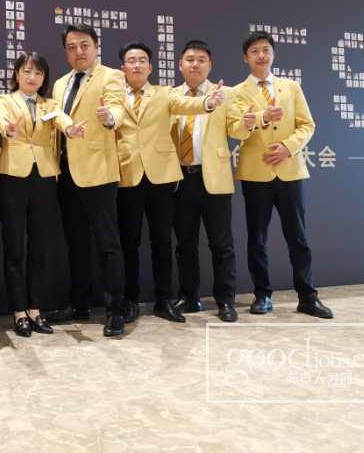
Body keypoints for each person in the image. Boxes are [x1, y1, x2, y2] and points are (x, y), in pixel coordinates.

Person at [115, 42, 220, 324]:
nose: (137, 65)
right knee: (129, 243)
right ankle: (129, 301)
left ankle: (164, 299)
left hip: (161, 178)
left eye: (142, 60)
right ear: (123, 68)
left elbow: (187, 104)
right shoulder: (114, 97)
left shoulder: (164, 94)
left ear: (150, 67)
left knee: (162, 241)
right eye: (131, 60)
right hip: (127, 174)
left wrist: (208, 103)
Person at [231, 31, 333, 319]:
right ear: (245, 58)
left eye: (265, 50)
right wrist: (259, 118)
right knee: (257, 238)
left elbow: (307, 125)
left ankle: (307, 296)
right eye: (254, 51)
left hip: (290, 171)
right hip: (256, 174)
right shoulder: (237, 92)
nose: (261, 55)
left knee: (298, 236)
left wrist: (288, 147)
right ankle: (262, 295)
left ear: (273, 54)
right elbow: (236, 130)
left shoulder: (291, 87)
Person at [0, 52, 85, 337]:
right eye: (27, 71)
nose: (32, 77)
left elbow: (61, 120)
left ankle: (35, 309)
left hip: (44, 178)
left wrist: (70, 128)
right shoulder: (4, 100)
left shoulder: (50, 104)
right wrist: (8, 130)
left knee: (40, 247)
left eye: (38, 73)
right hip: (13, 177)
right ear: (17, 74)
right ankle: (18, 311)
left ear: (44, 78)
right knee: (14, 247)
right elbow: (0, 120)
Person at [46, 24, 128, 337]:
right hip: (65, 172)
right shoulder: (60, 83)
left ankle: (115, 310)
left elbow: (118, 107)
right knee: (76, 242)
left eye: (84, 45)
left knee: (108, 244)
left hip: (98, 170)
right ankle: (78, 304)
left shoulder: (111, 76)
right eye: (71, 47)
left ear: (95, 47)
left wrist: (111, 118)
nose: (78, 51)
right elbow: (55, 116)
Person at [170, 40, 251, 323]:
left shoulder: (225, 94)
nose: (195, 64)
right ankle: (188, 297)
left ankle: (226, 300)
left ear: (210, 65)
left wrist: (247, 124)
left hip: (214, 178)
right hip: (180, 179)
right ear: (180, 65)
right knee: (184, 244)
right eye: (190, 59)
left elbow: (236, 129)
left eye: (201, 60)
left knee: (221, 244)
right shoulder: (170, 97)